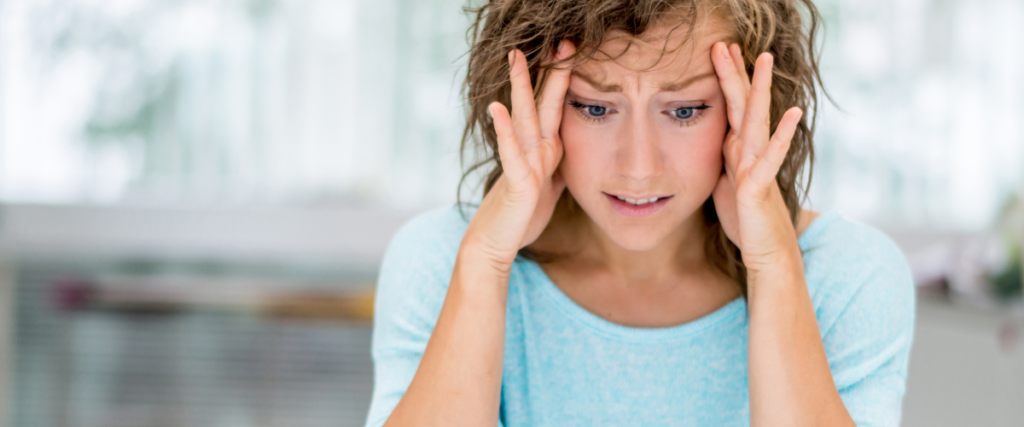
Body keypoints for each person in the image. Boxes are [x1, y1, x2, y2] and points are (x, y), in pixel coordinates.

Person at [364, 0, 915, 426]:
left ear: (754, 106)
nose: (639, 167)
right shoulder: (443, 259)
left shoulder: (847, 276)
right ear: (530, 97)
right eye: (595, 107)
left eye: (685, 110)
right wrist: (485, 264)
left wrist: (774, 266)